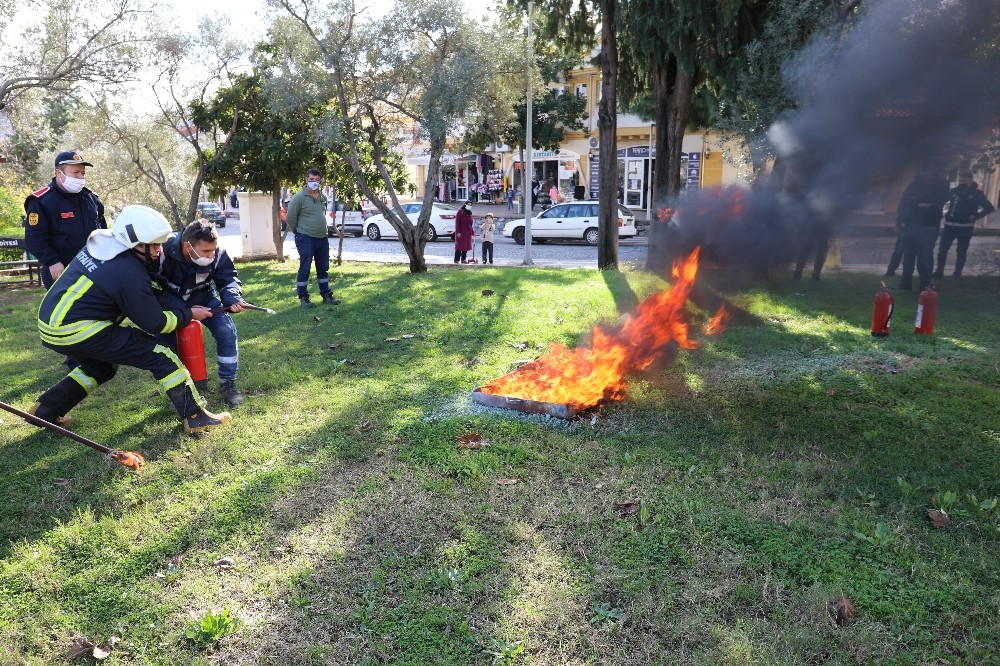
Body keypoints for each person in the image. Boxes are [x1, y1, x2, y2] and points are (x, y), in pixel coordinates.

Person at [27, 205, 231, 434]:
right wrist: (189, 314)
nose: (158, 251)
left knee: (100, 368)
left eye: (159, 244)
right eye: (152, 245)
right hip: (76, 328)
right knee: (162, 355)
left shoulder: (104, 243)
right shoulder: (128, 271)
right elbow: (155, 323)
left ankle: (45, 411)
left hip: (50, 324)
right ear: (133, 241)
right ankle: (196, 417)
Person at [155, 219, 247, 407]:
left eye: (213, 249)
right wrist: (179, 311)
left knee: (226, 332)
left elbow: (229, 279)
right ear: (188, 247)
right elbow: (145, 279)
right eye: (206, 251)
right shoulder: (162, 250)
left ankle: (228, 383)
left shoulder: (219, 254)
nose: (211, 255)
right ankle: (180, 390)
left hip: (204, 298)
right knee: (168, 345)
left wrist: (232, 299)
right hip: (170, 300)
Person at [25, 150, 107, 288]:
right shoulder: (42, 201)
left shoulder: (91, 198)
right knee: (66, 309)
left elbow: (102, 230)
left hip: (93, 268)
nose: (80, 177)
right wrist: (52, 261)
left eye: (83, 173)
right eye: (76, 173)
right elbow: (34, 238)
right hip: (61, 269)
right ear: (58, 173)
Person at [285, 168, 340, 308]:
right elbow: (290, 217)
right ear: (306, 180)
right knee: (305, 268)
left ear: (320, 180)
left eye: (317, 180)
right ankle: (303, 297)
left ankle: (326, 295)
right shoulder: (299, 197)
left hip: (322, 238)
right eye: (311, 180)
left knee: (323, 268)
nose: (314, 182)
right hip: (305, 238)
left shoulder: (322, 197)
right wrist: (299, 232)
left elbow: (322, 214)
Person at [896, 168, 950, 291]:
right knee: (908, 255)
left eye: (928, 171)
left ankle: (925, 284)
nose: (925, 173)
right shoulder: (915, 184)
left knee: (925, 256)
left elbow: (937, 203)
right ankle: (905, 283)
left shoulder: (941, 185)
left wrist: (917, 203)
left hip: (929, 226)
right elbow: (904, 201)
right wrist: (899, 220)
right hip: (911, 224)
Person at [934, 172, 995, 278]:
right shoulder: (954, 191)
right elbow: (942, 200)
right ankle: (939, 272)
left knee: (961, 251)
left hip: (965, 227)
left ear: (971, 181)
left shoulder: (976, 194)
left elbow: (989, 207)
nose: (962, 183)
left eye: (965, 180)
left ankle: (957, 273)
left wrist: (976, 216)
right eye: (961, 180)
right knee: (942, 250)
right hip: (949, 226)